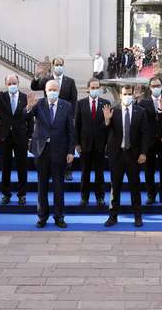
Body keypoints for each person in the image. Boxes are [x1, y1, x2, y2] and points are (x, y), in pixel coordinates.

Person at [25, 80, 75, 228]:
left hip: (59, 151)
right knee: (42, 186)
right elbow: (24, 117)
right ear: (45, 91)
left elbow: (71, 130)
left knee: (59, 186)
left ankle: (59, 216)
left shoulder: (66, 106)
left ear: (58, 90)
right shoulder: (38, 104)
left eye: (55, 89)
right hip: (42, 151)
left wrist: (71, 151)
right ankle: (42, 216)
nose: (52, 92)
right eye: (50, 90)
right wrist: (28, 107)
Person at [102, 85, 149, 227]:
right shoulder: (112, 110)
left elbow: (145, 134)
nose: (127, 96)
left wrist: (143, 152)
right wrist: (107, 121)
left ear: (133, 95)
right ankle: (113, 216)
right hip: (116, 155)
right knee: (115, 187)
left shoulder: (140, 111)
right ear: (121, 96)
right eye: (125, 94)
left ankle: (138, 216)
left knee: (135, 186)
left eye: (130, 93)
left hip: (133, 155)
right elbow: (104, 132)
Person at [0, 75, 33, 205]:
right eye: (9, 83)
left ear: (18, 83)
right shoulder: (1, 96)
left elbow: (29, 118)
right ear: (6, 84)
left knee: (22, 166)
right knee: (5, 166)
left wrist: (29, 136)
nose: (12, 85)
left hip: (21, 137)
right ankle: (6, 194)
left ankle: (22, 194)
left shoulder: (24, 97)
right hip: (5, 137)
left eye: (14, 82)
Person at [31, 57, 78, 181]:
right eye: (56, 64)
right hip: (49, 118)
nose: (59, 66)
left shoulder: (70, 81)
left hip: (64, 118)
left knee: (65, 144)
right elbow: (35, 86)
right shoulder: (47, 79)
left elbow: (74, 100)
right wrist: (36, 76)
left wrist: (72, 118)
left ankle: (67, 170)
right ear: (52, 65)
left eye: (61, 64)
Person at [74, 78, 109, 207]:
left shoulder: (106, 103)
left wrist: (107, 122)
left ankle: (100, 197)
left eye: (97, 87)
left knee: (100, 173)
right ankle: (84, 197)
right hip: (85, 145)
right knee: (85, 172)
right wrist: (77, 143)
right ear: (88, 89)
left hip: (100, 145)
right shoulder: (81, 103)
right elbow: (76, 125)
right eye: (93, 88)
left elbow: (108, 127)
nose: (95, 90)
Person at [138, 77, 162, 205]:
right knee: (149, 170)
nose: (156, 88)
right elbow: (141, 123)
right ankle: (151, 195)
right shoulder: (143, 103)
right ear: (150, 87)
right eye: (153, 86)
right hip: (149, 142)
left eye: (158, 85)